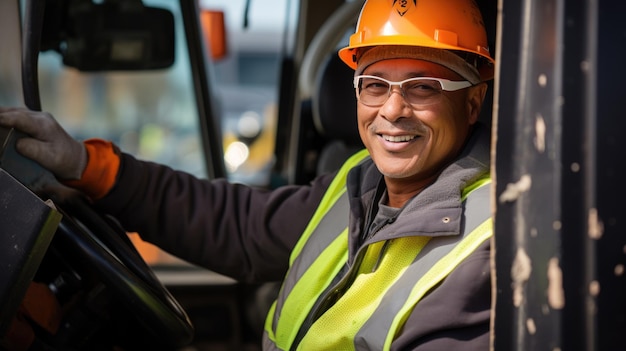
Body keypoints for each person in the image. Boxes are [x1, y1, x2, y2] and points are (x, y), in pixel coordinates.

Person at [0, 0, 495, 349]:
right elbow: (242, 227)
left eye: (424, 87)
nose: (392, 109)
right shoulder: (360, 181)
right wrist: (92, 169)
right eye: (374, 84)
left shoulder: (484, 246)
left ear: (473, 101)